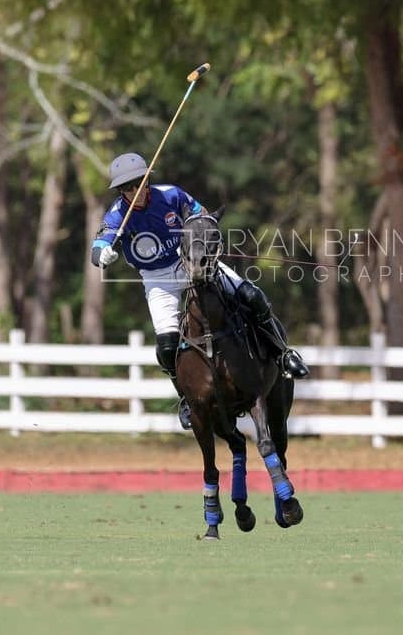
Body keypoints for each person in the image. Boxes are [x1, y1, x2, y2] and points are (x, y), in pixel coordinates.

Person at [91, 152, 309, 430]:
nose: (134, 193)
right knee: (166, 344)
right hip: (158, 278)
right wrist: (103, 254)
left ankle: (283, 354)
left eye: (138, 184)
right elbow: (99, 245)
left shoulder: (171, 196)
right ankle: (186, 398)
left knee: (252, 296)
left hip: (191, 262)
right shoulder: (117, 215)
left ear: (147, 181)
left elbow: (202, 216)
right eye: (126, 188)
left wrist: (202, 240)